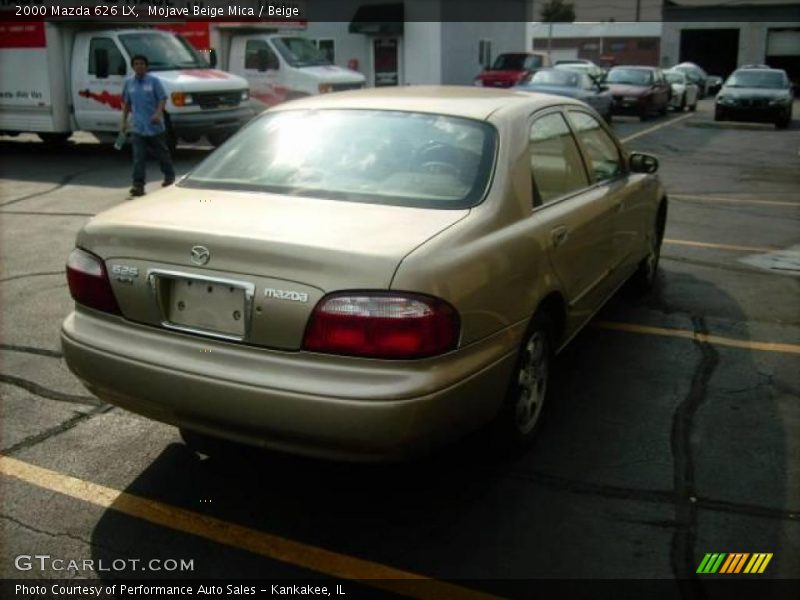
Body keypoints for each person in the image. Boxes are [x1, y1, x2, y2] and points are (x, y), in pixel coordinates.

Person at [121, 54, 175, 197]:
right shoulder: (129, 83)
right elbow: (127, 104)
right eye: (136, 64)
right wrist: (124, 122)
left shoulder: (154, 81)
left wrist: (158, 113)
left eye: (142, 64)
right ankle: (138, 185)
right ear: (133, 66)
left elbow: (162, 98)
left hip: (155, 125)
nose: (139, 66)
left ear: (146, 66)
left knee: (162, 154)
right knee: (139, 157)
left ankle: (169, 177)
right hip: (138, 126)